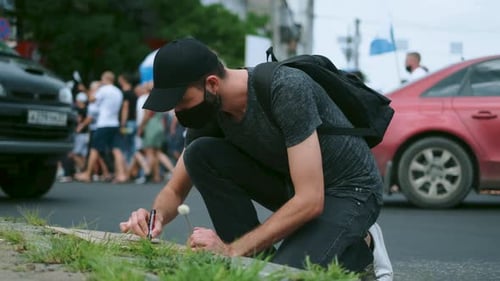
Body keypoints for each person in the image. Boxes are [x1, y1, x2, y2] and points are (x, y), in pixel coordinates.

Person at [120, 38, 385, 276]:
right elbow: (175, 189)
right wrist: (152, 220)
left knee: (280, 275)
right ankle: (260, 260)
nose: (178, 111)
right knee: (200, 154)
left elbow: (311, 199)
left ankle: (359, 247)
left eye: (182, 100)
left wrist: (231, 250)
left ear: (212, 83)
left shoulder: (285, 89)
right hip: (295, 184)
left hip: (349, 191)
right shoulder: (208, 108)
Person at [75, 71, 128, 183]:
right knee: (117, 149)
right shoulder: (118, 91)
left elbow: (91, 99)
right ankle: (122, 175)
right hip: (114, 123)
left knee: (95, 148)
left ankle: (87, 174)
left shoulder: (103, 90)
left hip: (104, 123)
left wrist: (85, 90)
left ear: (104, 79)